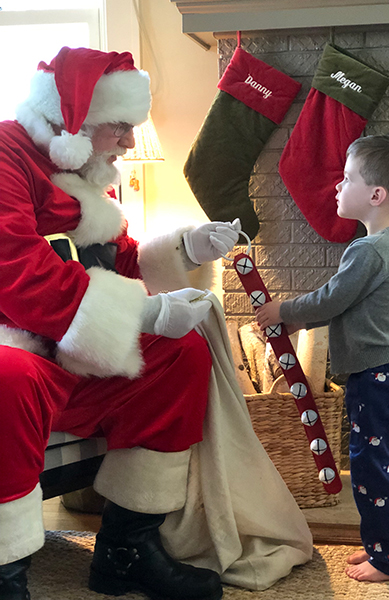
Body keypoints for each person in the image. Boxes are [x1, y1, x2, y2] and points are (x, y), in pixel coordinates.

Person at [0, 47, 314, 600]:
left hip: (65, 345)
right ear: (72, 119)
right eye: (119, 126)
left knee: (180, 355)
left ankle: (126, 551)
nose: (127, 142)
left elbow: (113, 259)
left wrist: (187, 246)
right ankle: (7, 573)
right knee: (10, 379)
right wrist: (144, 312)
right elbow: (18, 274)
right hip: (17, 338)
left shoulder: (77, 167)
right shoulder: (6, 155)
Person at [256, 131, 389, 583]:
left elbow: (333, 299)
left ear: (376, 194)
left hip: (379, 377)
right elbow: (347, 302)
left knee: (372, 472)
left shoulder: (369, 250)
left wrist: (285, 312)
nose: (337, 185)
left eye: (347, 177)